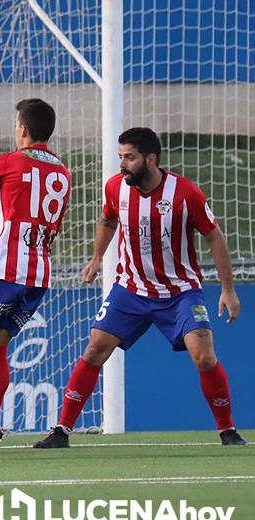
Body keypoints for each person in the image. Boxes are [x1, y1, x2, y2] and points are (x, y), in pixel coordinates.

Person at [34, 127, 246, 448]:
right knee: (94, 349)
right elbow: (107, 220)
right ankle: (61, 431)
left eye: (129, 157)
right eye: (121, 157)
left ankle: (228, 430)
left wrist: (228, 289)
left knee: (204, 357)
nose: (123, 164)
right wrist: (95, 259)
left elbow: (214, 236)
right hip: (130, 289)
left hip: (180, 292)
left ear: (150, 159)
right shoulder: (115, 188)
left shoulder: (186, 194)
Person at [0, 98, 70, 460]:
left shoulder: (8, 162)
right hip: (38, 275)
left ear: (22, 128)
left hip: (4, 268)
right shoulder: (63, 172)